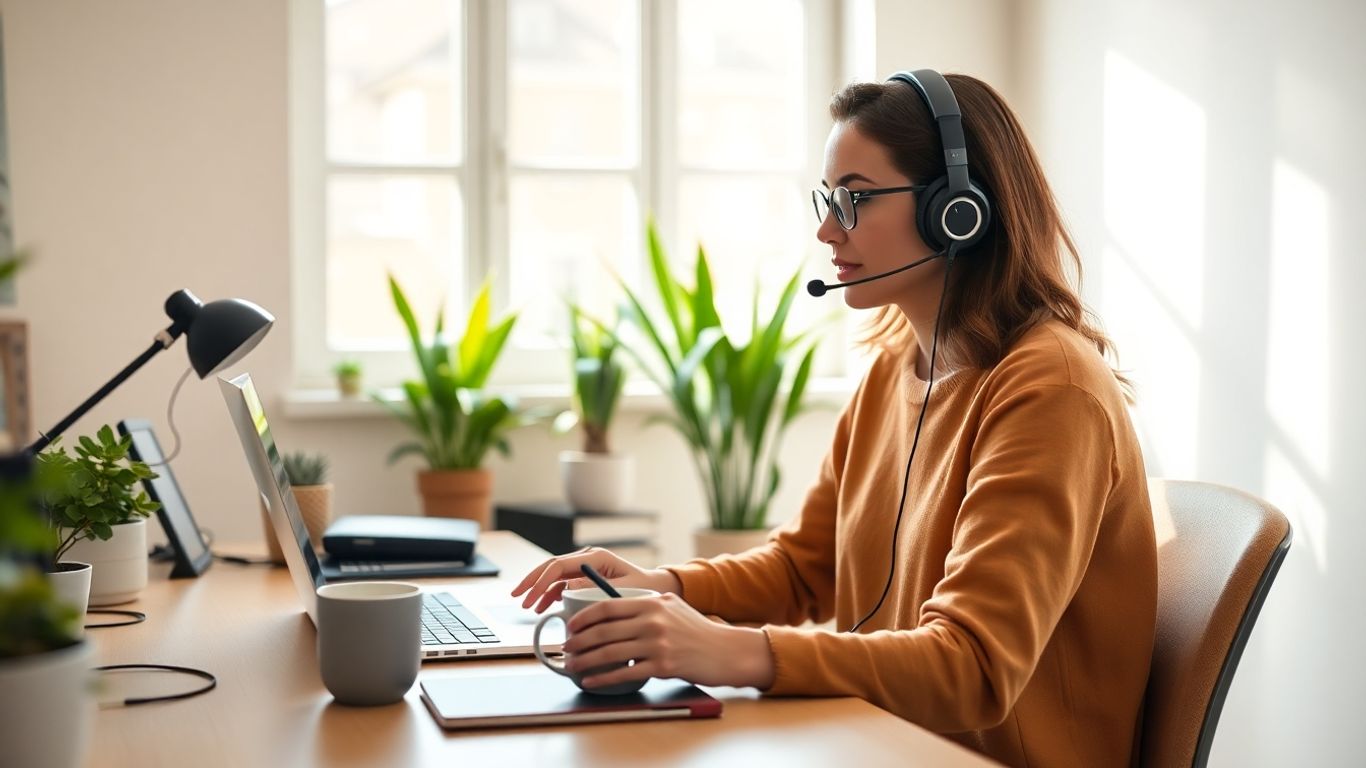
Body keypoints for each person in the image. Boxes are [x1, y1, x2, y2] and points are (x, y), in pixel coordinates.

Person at [513, 70, 1157, 768]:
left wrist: (729, 650)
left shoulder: (1051, 391)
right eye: (828, 199)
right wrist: (662, 589)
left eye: (854, 199)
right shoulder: (892, 367)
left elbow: (974, 667)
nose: (826, 228)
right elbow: (803, 570)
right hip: (882, 745)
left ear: (958, 210)